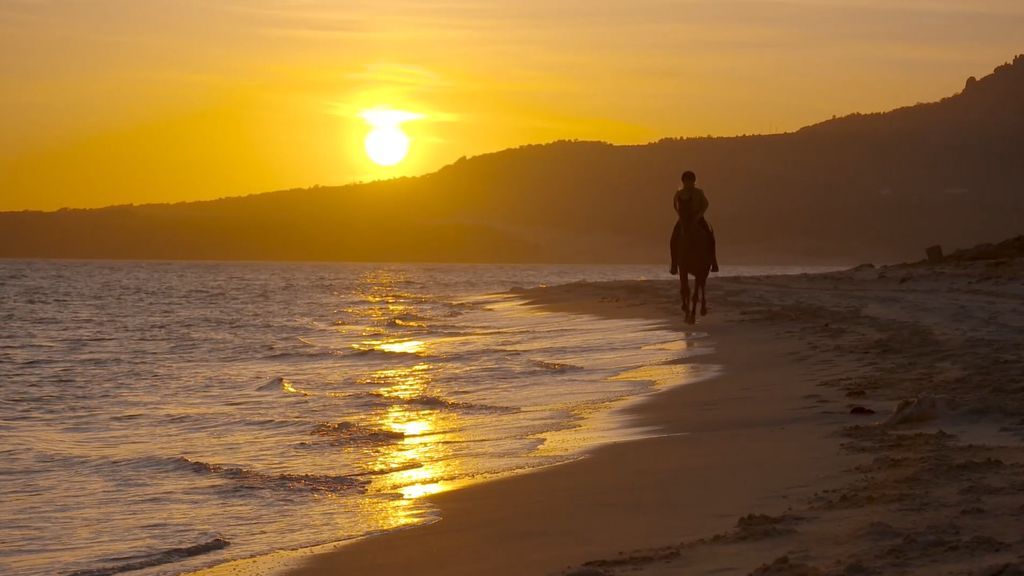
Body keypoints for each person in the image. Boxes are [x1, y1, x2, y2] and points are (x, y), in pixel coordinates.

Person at [670, 170, 719, 274]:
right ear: (683, 181)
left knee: (710, 236)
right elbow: (675, 205)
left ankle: (714, 262)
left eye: (690, 180)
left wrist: (699, 215)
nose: (688, 183)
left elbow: (705, 204)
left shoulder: (699, 192)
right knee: (673, 238)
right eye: (686, 180)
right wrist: (679, 214)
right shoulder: (679, 193)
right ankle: (674, 264)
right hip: (683, 219)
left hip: (697, 218)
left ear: (694, 181)